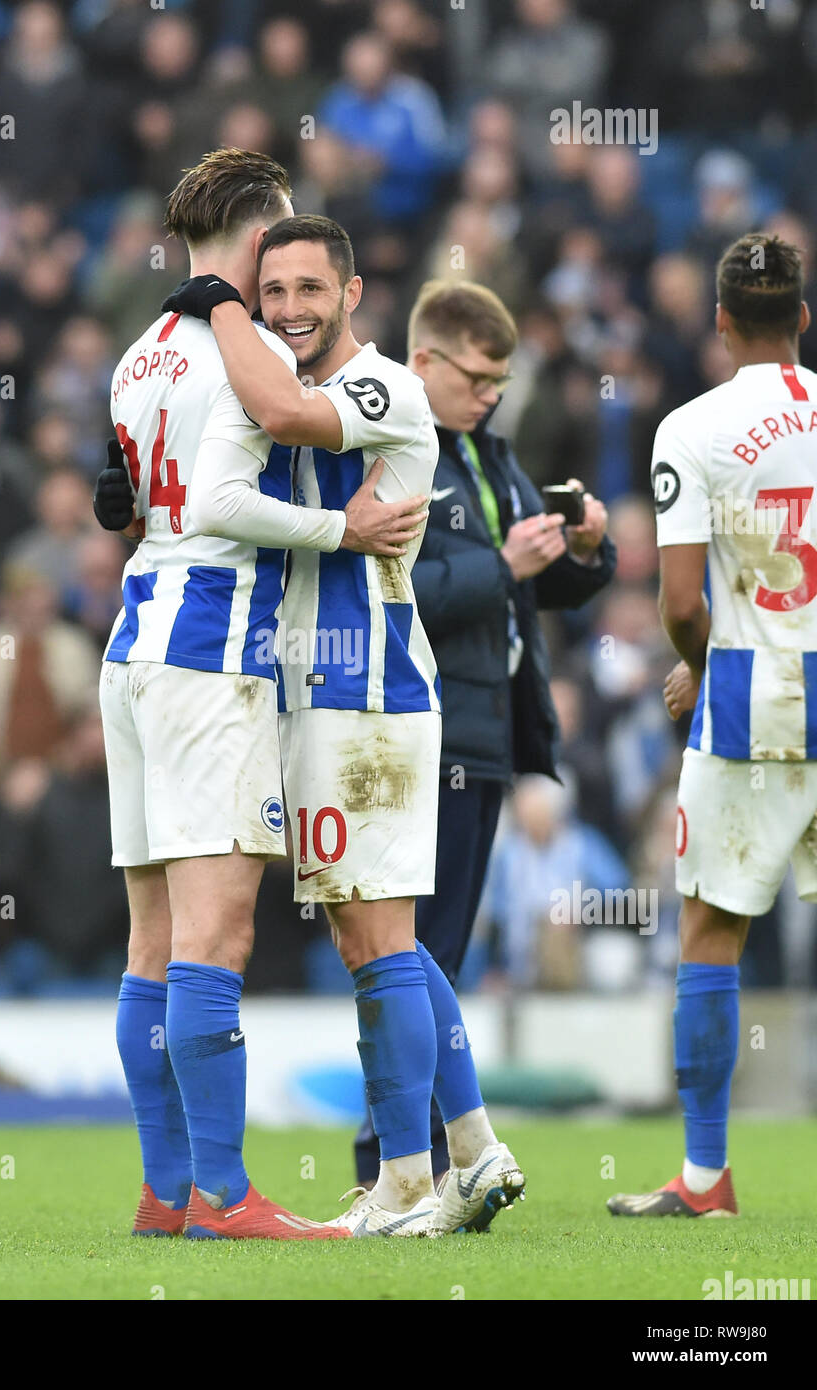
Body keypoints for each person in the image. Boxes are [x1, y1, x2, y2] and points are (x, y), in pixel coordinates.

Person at [163, 215, 524, 1236]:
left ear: (352, 293)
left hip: (367, 695)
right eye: (269, 292)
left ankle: (411, 1177)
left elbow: (280, 425)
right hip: (309, 695)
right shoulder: (285, 386)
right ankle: (451, 1158)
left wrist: (214, 302)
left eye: (307, 291)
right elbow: (217, 493)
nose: (287, 311)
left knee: (380, 944)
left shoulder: (384, 387)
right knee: (378, 942)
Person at [93, 150, 419, 1241]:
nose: (285, 270)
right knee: (215, 938)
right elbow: (238, 481)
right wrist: (341, 526)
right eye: (279, 241)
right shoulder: (239, 350)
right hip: (207, 643)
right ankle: (226, 1198)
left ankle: (163, 1187)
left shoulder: (139, 353)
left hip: (133, 637)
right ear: (259, 230)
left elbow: (131, 498)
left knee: (149, 942)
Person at [348, 279, 615, 1189]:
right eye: (480, 375)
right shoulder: (395, 455)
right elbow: (396, 589)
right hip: (430, 732)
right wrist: (503, 565)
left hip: (486, 734)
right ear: (425, 362)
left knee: (428, 951)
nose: (493, 392)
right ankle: (393, 1157)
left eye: (503, 378)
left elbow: (540, 587)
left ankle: (405, 1159)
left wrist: (585, 553)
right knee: (416, 949)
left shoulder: (493, 457)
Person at [608, 232, 815, 1217]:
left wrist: (699, 670)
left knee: (710, 929)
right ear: (803, 319)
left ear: (721, 321)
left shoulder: (688, 430)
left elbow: (682, 602)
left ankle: (702, 1177)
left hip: (750, 698)